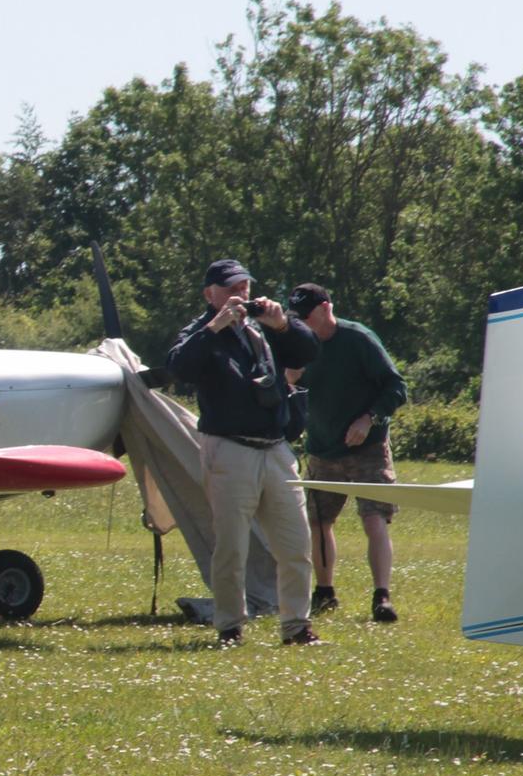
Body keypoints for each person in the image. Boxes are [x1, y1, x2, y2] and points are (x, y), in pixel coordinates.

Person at [166, 259, 322, 647]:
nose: (241, 295)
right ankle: (230, 626)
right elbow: (178, 366)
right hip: (229, 448)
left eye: (244, 287)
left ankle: (297, 627)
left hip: (275, 447)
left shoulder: (263, 325)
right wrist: (214, 327)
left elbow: (308, 349)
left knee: (296, 544)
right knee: (232, 547)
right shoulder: (201, 332)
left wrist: (282, 324)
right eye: (231, 288)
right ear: (210, 294)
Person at [283, 282, 408, 623]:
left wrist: (368, 419)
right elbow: (287, 387)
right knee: (318, 521)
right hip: (322, 448)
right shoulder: (300, 345)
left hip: (367, 448)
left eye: (305, 316)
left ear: (325, 308)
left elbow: (396, 387)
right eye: (295, 317)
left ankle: (382, 596)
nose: (300, 323)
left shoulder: (359, 339)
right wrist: (289, 378)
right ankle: (324, 592)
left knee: (374, 519)